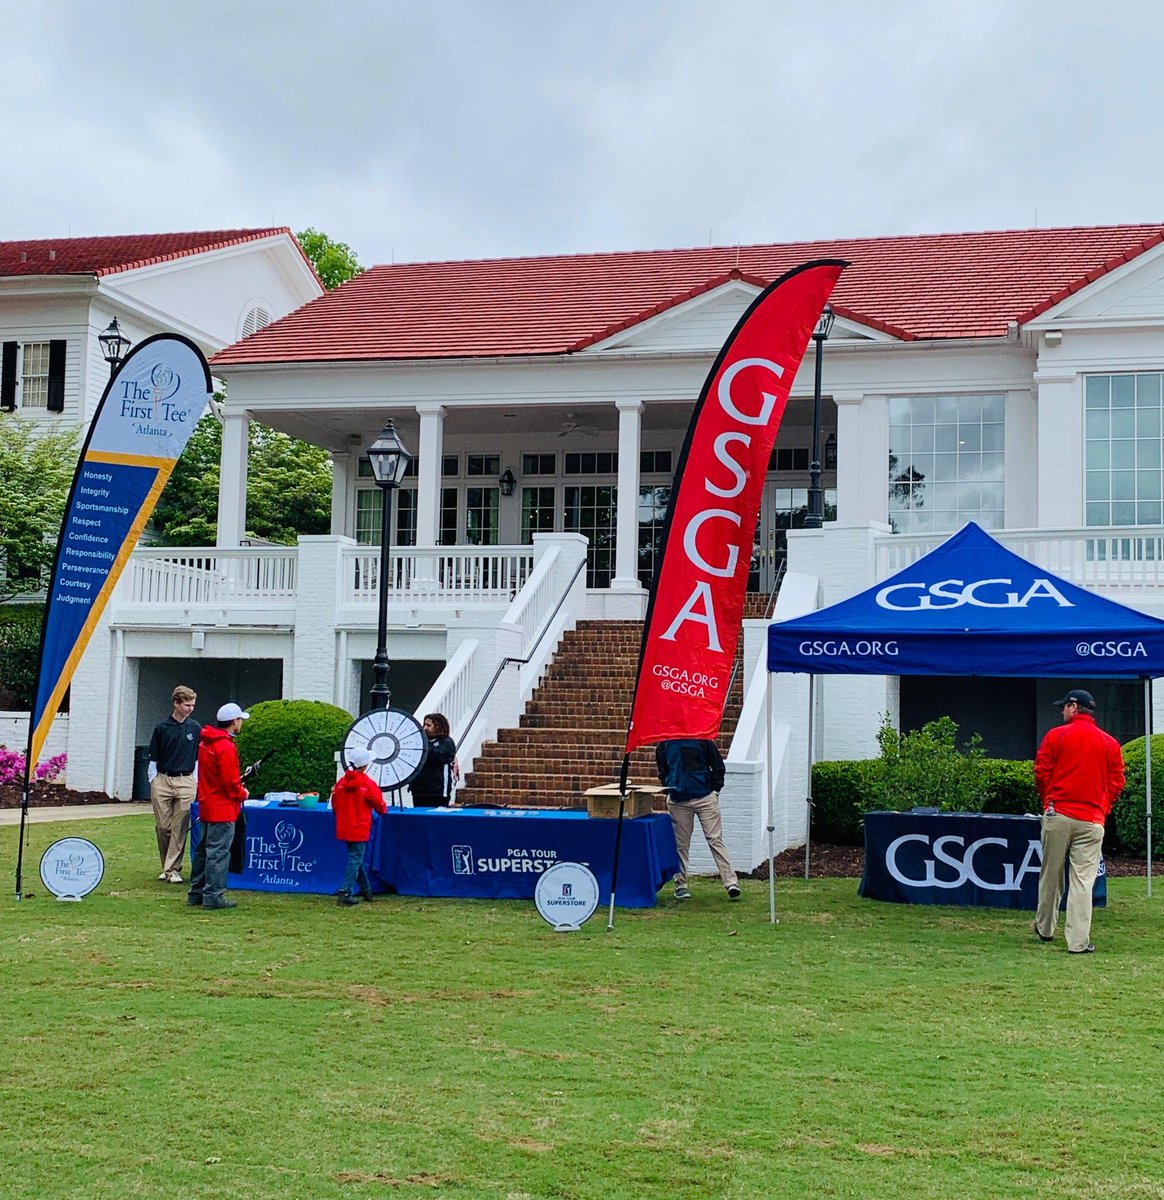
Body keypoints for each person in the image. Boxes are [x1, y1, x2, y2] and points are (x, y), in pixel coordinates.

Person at [1033, 688, 1125, 954]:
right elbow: (1116, 781)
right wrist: (1103, 807)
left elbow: (1041, 772)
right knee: (1083, 881)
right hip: (1092, 818)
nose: (1062, 710)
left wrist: (1048, 799)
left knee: (1051, 874)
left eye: (1064, 706)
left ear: (1074, 707)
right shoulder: (1110, 743)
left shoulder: (1056, 736)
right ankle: (1078, 942)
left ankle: (1045, 927)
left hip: (1059, 813)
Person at [655, 738, 741, 901]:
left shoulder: (703, 741)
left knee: (714, 839)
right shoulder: (665, 744)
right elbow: (662, 768)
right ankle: (680, 885)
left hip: (705, 797)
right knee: (681, 844)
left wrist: (715, 790)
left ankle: (731, 882)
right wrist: (668, 786)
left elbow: (717, 766)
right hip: (678, 800)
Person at [187, 703, 249, 911]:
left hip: (207, 804)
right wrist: (242, 793)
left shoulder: (206, 743)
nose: (241, 723)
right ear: (234, 722)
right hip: (223, 808)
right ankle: (213, 895)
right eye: (240, 720)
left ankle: (197, 892)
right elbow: (230, 782)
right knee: (218, 853)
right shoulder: (225, 747)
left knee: (203, 850)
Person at [147, 685, 201, 884]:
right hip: (163, 779)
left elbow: (197, 757)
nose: (190, 709)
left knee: (179, 827)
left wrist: (194, 780)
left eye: (192, 705)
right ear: (176, 703)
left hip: (186, 780)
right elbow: (153, 757)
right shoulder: (162, 728)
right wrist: (153, 779)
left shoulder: (195, 728)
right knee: (163, 827)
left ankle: (172, 869)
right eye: (186, 705)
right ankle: (167, 865)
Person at [331, 745, 388, 906]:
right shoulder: (366, 783)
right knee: (356, 858)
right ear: (364, 765)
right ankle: (346, 891)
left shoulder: (341, 783)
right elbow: (378, 803)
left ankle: (366, 889)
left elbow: (335, 803)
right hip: (360, 825)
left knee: (356, 858)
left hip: (344, 825)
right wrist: (383, 809)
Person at [409, 712, 457, 807]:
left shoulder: (447, 742)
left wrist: (423, 746)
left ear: (438, 727)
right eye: (424, 725)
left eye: (428, 725)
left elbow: (440, 756)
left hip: (438, 792)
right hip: (418, 790)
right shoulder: (421, 741)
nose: (425, 728)